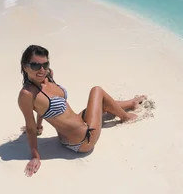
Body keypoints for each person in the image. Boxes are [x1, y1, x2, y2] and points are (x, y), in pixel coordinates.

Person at [17, 44, 145, 177]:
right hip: (82, 141)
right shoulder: (26, 94)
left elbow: (41, 107)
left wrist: (40, 126)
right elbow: (30, 127)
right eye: (36, 66)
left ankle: (131, 102)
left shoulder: (48, 75)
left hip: (78, 125)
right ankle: (125, 117)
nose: (42, 70)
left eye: (45, 64)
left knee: (100, 103)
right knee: (97, 90)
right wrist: (35, 156)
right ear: (26, 67)